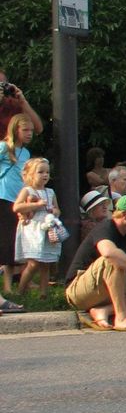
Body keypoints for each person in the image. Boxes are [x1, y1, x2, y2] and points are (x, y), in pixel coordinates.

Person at [64, 193, 126, 331]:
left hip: (108, 293)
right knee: (114, 259)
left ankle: (103, 310)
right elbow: (109, 253)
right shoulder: (106, 227)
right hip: (79, 291)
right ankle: (122, 317)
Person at [12, 157, 62, 297]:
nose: (45, 175)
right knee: (33, 263)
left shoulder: (50, 192)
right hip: (33, 229)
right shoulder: (27, 191)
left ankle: (43, 294)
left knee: (46, 263)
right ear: (31, 174)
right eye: (41, 172)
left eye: (47, 172)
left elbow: (58, 209)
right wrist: (36, 205)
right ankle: (21, 291)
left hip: (47, 229)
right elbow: (17, 207)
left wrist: (55, 212)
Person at [1, 113, 35, 294]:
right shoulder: (4, 148)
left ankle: (20, 283)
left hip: (19, 200)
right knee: (6, 243)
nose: (29, 133)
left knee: (17, 242)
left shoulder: (26, 153)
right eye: (25, 130)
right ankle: (7, 287)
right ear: (16, 130)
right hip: (4, 197)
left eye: (31, 130)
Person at [0, 68, 43, 138]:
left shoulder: (13, 103)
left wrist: (23, 102)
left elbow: (38, 129)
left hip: (11, 147)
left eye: (2, 84)